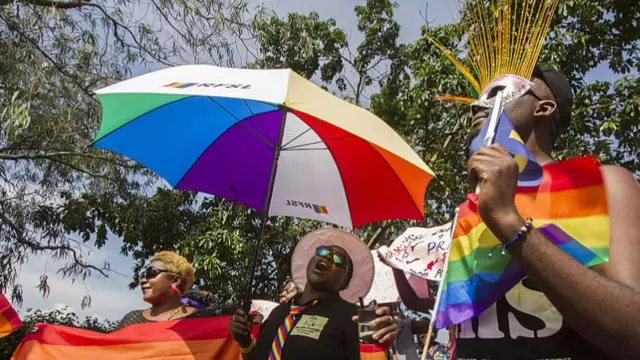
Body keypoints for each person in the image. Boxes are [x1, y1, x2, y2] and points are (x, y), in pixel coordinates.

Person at [426, 0, 640, 358]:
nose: (480, 104)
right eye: (480, 96)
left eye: (498, 92)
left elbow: (633, 331)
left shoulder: (602, 184)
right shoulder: (473, 202)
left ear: (544, 106)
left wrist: (510, 223)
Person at [229, 228, 399, 360]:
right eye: (323, 252)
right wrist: (245, 343)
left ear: (344, 283)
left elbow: (372, 352)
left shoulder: (355, 317)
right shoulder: (279, 313)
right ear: (311, 261)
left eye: (339, 260)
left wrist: (379, 343)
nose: (329, 258)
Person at [115, 251, 214, 329]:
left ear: (175, 280)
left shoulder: (200, 319)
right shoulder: (131, 320)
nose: (142, 281)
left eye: (151, 273)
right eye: (142, 276)